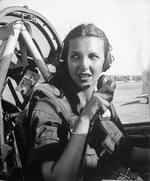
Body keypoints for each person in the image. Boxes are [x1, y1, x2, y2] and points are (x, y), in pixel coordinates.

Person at [26, 23, 149, 181]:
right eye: (75, 56)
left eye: (93, 56)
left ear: (105, 62)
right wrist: (85, 117)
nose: (84, 65)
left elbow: (124, 152)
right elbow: (57, 178)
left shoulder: (102, 103)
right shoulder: (48, 104)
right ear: (66, 60)